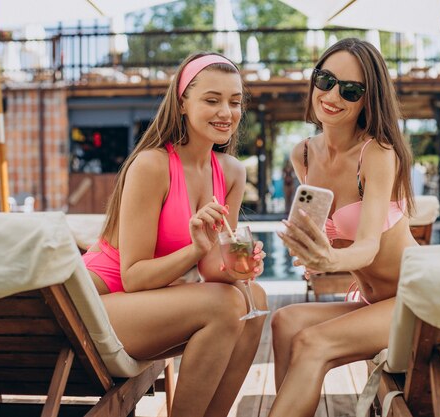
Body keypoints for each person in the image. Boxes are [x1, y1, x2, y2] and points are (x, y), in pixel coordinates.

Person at [81, 52, 268, 417]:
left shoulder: (231, 171)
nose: (225, 113)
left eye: (234, 102)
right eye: (211, 100)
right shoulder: (152, 165)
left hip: (148, 306)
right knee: (226, 304)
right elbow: (133, 278)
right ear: (183, 104)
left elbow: (214, 270)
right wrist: (194, 250)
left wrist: (238, 268)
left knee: (253, 299)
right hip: (96, 308)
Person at [270, 38, 416, 417]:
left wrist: (327, 258)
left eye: (351, 90)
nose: (333, 95)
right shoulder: (303, 153)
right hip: (370, 301)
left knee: (313, 342)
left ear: (369, 100)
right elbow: (321, 233)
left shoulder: (378, 153)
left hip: (413, 300)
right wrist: (307, 251)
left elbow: (367, 246)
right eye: (326, 80)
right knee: (285, 322)